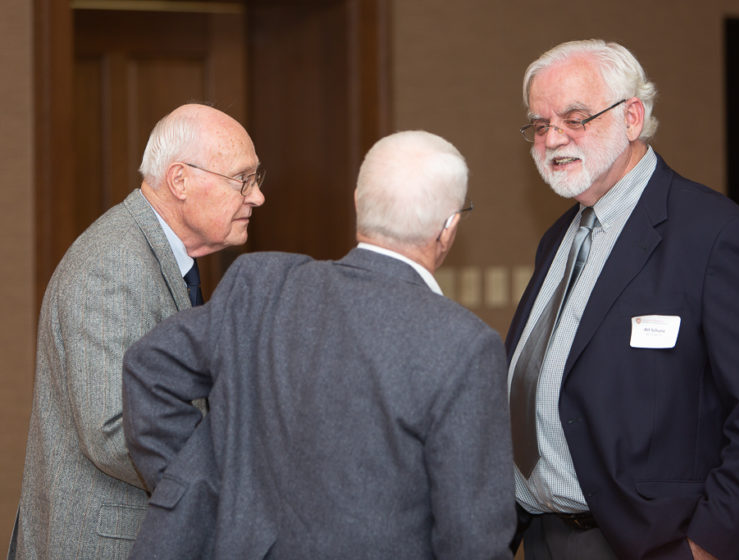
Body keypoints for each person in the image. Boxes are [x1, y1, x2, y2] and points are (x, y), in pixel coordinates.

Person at [120, 130, 516, 559]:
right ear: (449, 226)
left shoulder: (263, 288)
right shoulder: (464, 344)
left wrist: (211, 483)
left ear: (358, 203)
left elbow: (149, 367)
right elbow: (472, 539)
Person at [506, 39, 739, 560]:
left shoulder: (715, 235)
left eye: (575, 118)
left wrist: (708, 547)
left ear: (631, 117)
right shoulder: (557, 239)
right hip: (544, 538)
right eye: (539, 124)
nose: (553, 138)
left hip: (650, 544)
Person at [9, 103, 266, 559]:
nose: (257, 197)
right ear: (180, 180)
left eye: (256, 179)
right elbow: (115, 431)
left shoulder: (151, 255)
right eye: (242, 179)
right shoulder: (114, 264)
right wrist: (238, 472)